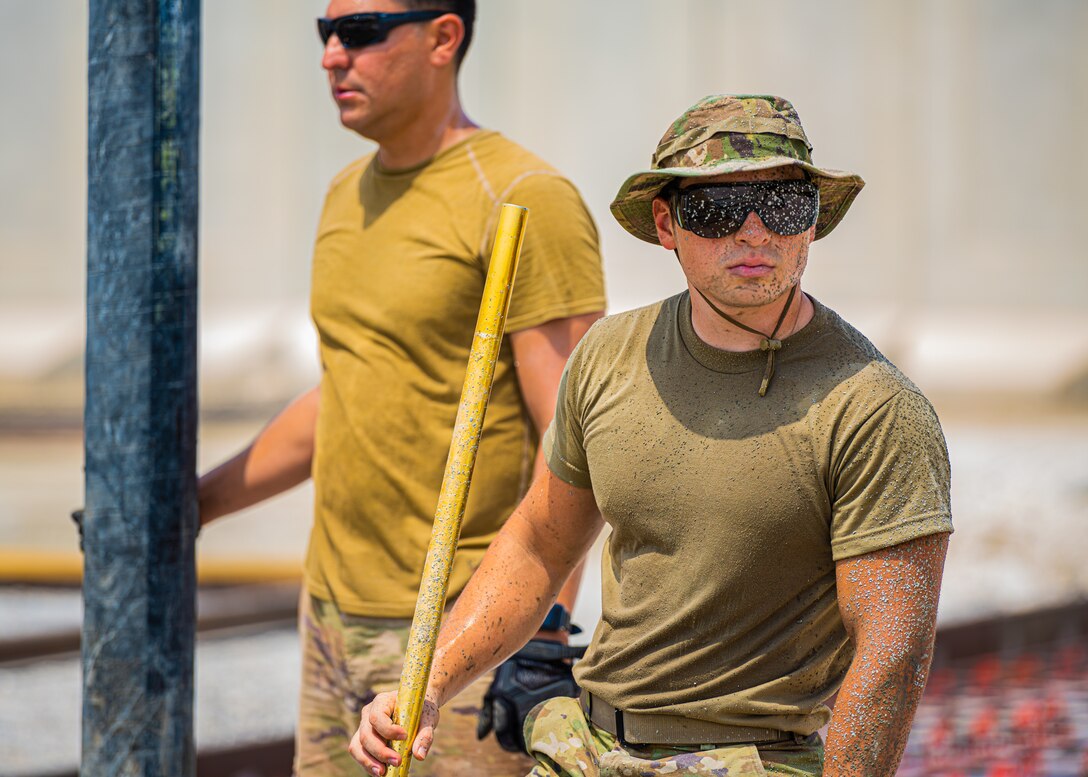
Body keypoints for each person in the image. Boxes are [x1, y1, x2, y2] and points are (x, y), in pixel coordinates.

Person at [350, 94, 954, 777]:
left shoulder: (873, 406)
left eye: (783, 204)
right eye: (718, 210)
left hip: (749, 758)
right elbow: (540, 543)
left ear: (812, 221)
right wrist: (426, 684)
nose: (755, 232)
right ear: (666, 223)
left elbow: (891, 656)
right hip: (584, 745)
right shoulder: (610, 356)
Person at [196, 2, 606, 775]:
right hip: (328, 621)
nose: (331, 58)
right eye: (325, 34)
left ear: (443, 38)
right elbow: (348, 393)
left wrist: (542, 634)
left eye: (358, 33)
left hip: (452, 632)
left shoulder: (523, 197)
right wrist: (196, 505)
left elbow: (576, 443)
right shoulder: (346, 195)